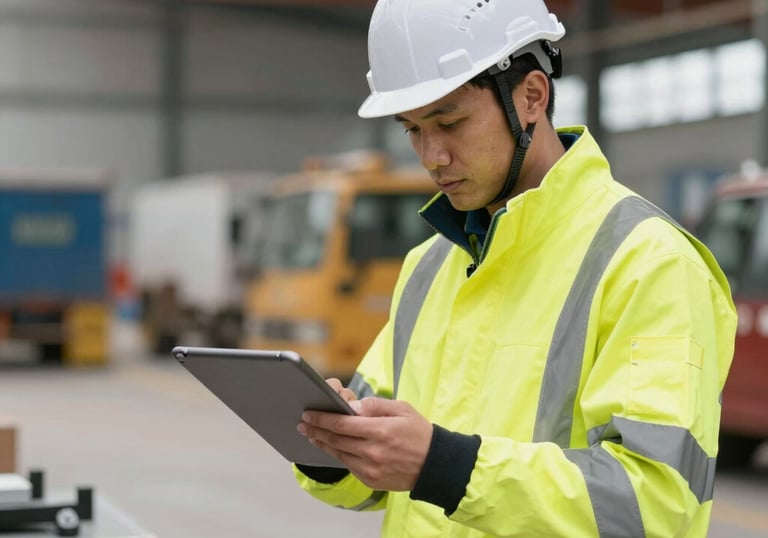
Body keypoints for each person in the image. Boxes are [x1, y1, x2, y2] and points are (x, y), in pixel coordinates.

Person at [293, 0, 737, 536]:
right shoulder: (428, 267)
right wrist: (332, 447)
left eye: (449, 122)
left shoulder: (650, 263)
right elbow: (377, 469)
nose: (432, 156)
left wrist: (444, 466)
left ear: (531, 97)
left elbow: (656, 502)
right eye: (412, 129)